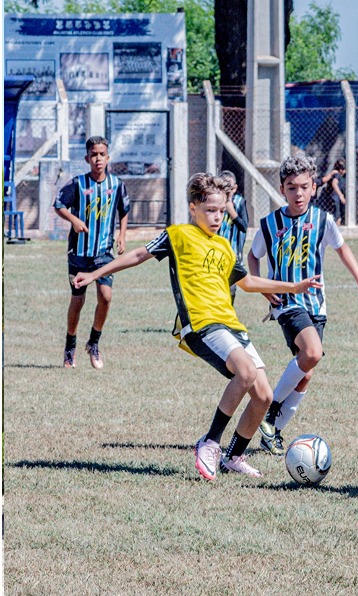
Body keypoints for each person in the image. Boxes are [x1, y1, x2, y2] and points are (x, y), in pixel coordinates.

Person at [73, 173, 322, 481]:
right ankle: (210, 442)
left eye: (221, 210)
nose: (217, 217)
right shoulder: (177, 236)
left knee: (264, 397)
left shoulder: (224, 246)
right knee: (244, 373)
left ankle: (234, 456)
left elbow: (247, 282)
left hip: (231, 325)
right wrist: (96, 274)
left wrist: (293, 286)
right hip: (201, 325)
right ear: (193, 209)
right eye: (210, 211)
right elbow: (138, 254)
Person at [247, 154, 358, 456]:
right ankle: (270, 409)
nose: (299, 193)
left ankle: (273, 432)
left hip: (316, 304)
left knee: (306, 371)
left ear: (314, 187)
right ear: (282, 189)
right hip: (287, 303)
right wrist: (262, 287)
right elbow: (252, 256)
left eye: (304, 186)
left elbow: (343, 250)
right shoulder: (270, 224)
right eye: (292, 187)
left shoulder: (323, 220)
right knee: (312, 353)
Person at [54, 135, 130, 370]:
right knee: (78, 301)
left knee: (106, 297)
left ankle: (94, 343)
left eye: (102, 154)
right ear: (87, 158)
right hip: (79, 253)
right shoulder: (77, 184)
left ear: (108, 157)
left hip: (104, 253)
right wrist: (74, 220)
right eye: (93, 155)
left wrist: (122, 234)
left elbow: (123, 208)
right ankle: (70, 348)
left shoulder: (117, 184)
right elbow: (58, 205)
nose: (98, 159)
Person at [217, 170, 249, 303]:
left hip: (234, 256)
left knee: (230, 290)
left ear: (235, 188)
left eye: (229, 187)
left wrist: (232, 212)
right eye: (222, 187)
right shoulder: (215, 203)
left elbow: (244, 227)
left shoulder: (240, 202)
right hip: (216, 255)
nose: (226, 190)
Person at [316, 158, 347, 225]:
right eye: (344, 169)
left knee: (335, 217)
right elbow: (334, 183)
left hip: (330, 199)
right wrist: (340, 195)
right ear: (341, 170)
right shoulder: (337, 174)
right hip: (333, 199)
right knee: (337, 218)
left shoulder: (335, 174)